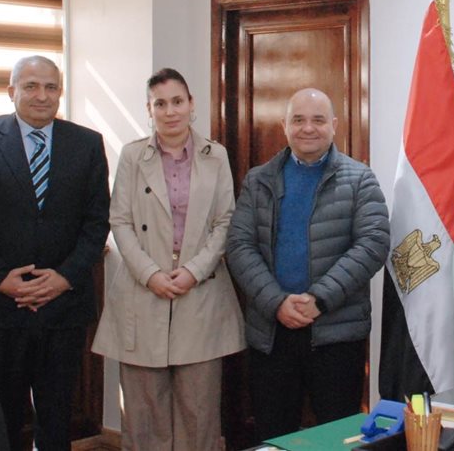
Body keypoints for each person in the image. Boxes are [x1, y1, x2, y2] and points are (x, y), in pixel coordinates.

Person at [0, 55, 109, 451]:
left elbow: (97, 222)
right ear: (12, 91)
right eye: (31, 86)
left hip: (63, 306)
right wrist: (0, 279)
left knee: (57, 416)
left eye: (51, 87)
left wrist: (64, 278)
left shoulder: (87, 143)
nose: (42, 96)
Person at [91, 68, 244, 451]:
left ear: (191, 104)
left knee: (199, 414)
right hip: (143, 293)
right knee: (144, 417)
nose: (170, 111)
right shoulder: (133, 155)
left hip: (201, 293)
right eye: (160, 104)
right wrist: (150, 274)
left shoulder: (215, 156)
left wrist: (193, 271)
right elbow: (120, 220)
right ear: (149, 109)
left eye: (177, 101)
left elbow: (225, 221)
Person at [226, 88, 389, 441]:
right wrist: (276, 302)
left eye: (318, 120)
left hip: (336, 335)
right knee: (274, 437)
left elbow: (373, 244)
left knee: (337, 438)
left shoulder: (360, 179)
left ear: (334, 125)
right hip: (272, 334)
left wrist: (319, 299)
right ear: (284, 126)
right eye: (298, 120)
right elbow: (239, 246)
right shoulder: (258, 180)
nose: (308, 128)